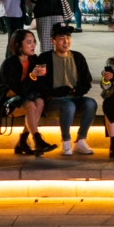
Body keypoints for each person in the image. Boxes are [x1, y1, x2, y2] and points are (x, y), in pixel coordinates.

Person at [0, 29, 57, 156]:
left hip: (26, 98)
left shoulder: (34, 60)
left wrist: (42, 77)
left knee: (39, 102)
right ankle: (38, 140)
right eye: (29, 42)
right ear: (18, 45)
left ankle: (23, 141)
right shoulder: (9, 64)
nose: (33, 45)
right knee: (30, 105)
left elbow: (39, 88)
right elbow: (18, 90)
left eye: (34, 42)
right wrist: (32, 76)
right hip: (6, 102)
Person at [38, 22, 96, 155]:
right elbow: (39, 86)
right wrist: (56, 92)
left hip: (74, 98)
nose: (66, 42)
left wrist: (77, 90)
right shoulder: (44, 58)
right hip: (53, 101)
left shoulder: (78, 57)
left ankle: (81, 140)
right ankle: (65, 141)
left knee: (90, 103)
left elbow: (87, 82)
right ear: (53, 41)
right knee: (68, 105)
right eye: (61, 38)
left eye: (68, 37)